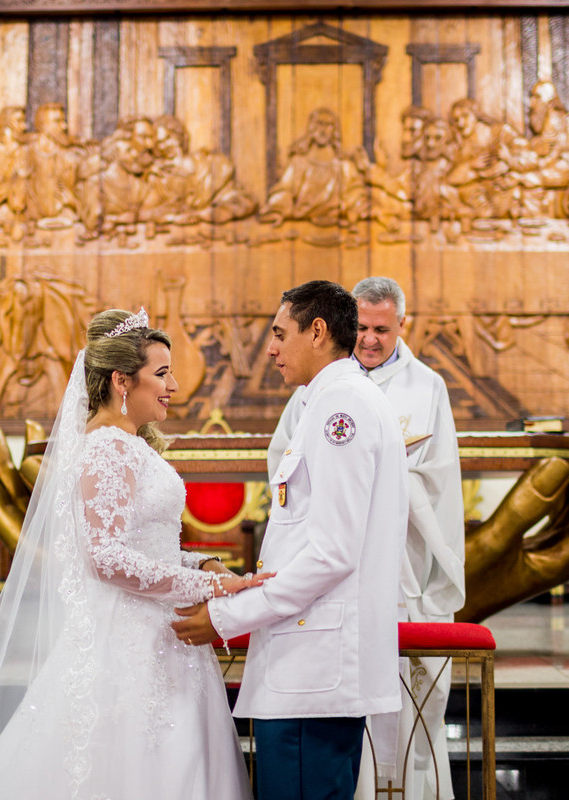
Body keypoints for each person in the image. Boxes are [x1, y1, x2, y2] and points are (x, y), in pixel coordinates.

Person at [0, 307, 265, 800]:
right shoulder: (107, 448)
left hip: (162, 636)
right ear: (122, 380)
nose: (173, 385)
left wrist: (200, 563)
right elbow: (105, 558)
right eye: (162, 373)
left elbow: (147, 546)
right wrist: (209, 585)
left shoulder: (129, 444)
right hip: (130, 643)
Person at [173, 280, 408, 800]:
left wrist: (226, 617)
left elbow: (331, 554)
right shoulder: (329, 400)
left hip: (313, 671)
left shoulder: (340, 408)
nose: (271, 349)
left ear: (317, 331)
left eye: (280, 334)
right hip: (311, 664)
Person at [267, 277, 465, 799]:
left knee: (408, 702)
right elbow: (283, 460)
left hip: (403, 562)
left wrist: (387, 474)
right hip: (334, 566)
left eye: (383, 329)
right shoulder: (316, 384)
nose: (370, 339)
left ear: (403, 325)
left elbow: (441, 478)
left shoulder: (427, 387)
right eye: (364, 327)